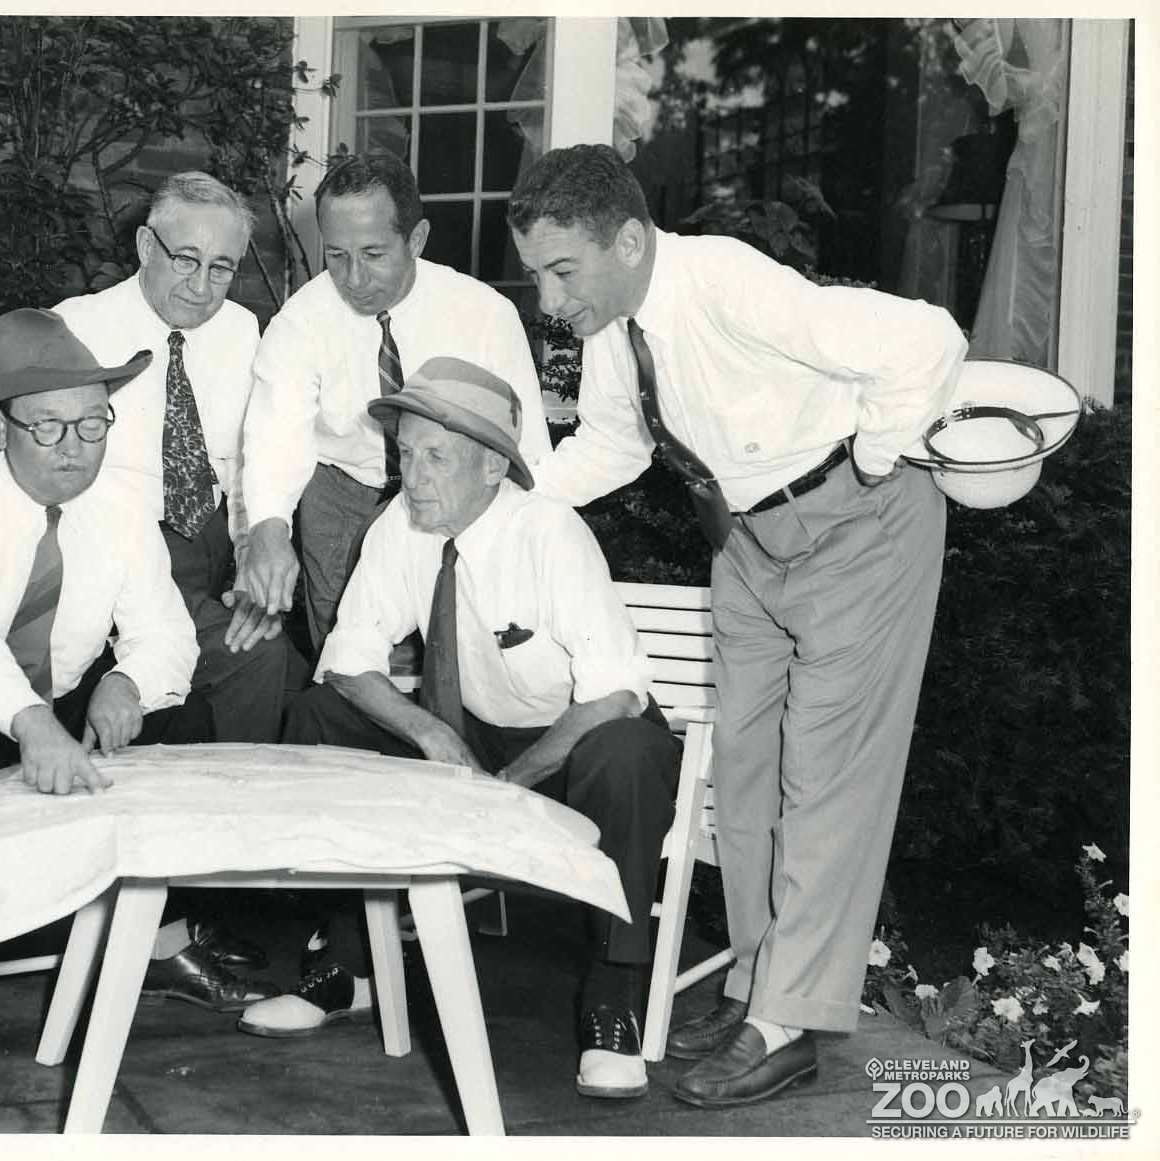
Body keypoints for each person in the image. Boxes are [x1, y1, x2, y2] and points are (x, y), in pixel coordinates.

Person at [507, 144, 966, 1106]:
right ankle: (758, 980)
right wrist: (510, 503)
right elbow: (613, 445)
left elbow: (925, 338)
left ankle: (788, 1022)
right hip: (748, 544)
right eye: (538, 276)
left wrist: (874, 461)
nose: (549, 300)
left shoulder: (725, 282)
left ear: (628, 242)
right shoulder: (615, 329)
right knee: (747, 775)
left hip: (858, 527)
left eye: (562, 271)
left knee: (825, 780)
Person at [0, 172, 298, 1007]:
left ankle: (166, 932)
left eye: (221, 267)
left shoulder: (120, 496)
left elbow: (169, 614)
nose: (200, 284)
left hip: (126, 601)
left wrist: (129, 680)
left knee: (184, 718)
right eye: (48, 425)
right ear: (4, 425)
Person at [235, 357, 682, 1102]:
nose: (413, 476)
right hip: (469, 732)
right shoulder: (400, 526)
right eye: (406, 453)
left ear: (491, 468)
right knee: (317, 719)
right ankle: (349, 964)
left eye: (436, 458)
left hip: (574, 743)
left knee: (629, 754)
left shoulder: (549, 532)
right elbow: (346, 663)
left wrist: (510, 784)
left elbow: (614, 697)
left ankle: (614, 1001)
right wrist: (431, 736)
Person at [238, 153, 553, 654]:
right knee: (347, 653)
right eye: (336, 255)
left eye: (373, 254)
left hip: (456, 487)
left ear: (417, 239)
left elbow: (527, 448)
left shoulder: (485, 315)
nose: (353, 278)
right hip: (344, 492)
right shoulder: (300, 322)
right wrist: (269, 528)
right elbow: (276, 437)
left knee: (461, 647)